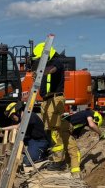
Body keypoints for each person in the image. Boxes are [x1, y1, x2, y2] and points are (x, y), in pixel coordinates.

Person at [31, 42, 80, 176]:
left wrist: (40, 72)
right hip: (47, 100)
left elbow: (52, 70)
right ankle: (57, 155)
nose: (39, 62)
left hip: (54, 99)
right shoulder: (47, 67)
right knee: (49, 129)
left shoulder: (56, 62)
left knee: (54, 130)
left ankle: (59, 161)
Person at [0, 101, 50, 166]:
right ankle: (32, 152)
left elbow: (17, 126)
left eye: (12, 116)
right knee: (18, 141)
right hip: (31, 140)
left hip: (40, 141)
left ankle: (43, 155)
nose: (12, 118)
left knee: (27, 162)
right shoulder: (20, 118)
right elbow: (15, 127)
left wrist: (2, 129)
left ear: (17, 112)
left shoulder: (29, 116)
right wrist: (1, 129)